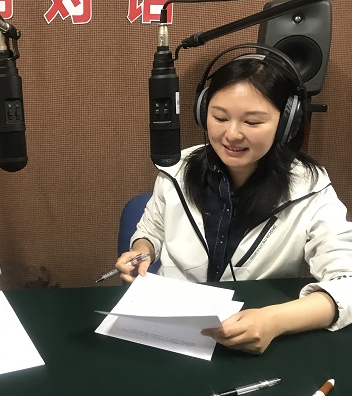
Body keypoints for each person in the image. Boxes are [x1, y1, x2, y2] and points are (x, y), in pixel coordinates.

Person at [115, 47, 352, 354]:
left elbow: (347, 283)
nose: (232, 134)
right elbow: (151, 230)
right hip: (172, 330)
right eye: (220, 117)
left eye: (252, 122)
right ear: (203, 112)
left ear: (286, 123)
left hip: (258, 331)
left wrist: (275, 320)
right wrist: (141, 251)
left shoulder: (310, 187)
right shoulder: (176, 170)